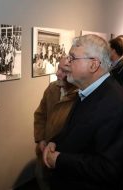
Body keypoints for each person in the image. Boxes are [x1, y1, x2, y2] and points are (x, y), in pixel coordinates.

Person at [43, 34, 123, 190]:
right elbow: (76, 130)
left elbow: (109, 168)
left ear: (93, 65)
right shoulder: (87, 91)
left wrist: (59, 159)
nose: (67, 63)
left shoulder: (117, 103)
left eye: (72, 58)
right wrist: (55, 141)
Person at [34, 57, 78, 190]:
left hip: (65, 156)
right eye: (58, 68)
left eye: (63, 70)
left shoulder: (80, 95)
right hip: (44, 148)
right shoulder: (52, 88)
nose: (57, 73)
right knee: (41, 178)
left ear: (74, 73)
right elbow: (40, 114)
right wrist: (40, 139)